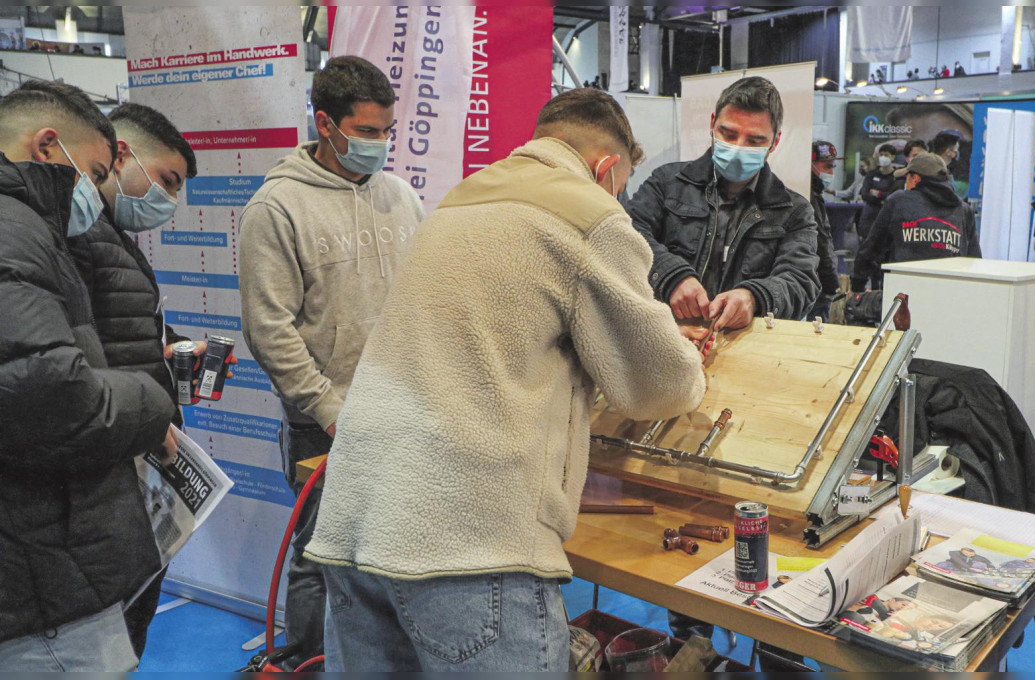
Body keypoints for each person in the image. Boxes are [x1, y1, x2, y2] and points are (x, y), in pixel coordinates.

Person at [304, 88, 707, 672]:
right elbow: (656, 386)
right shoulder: (588, 212)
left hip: (356, 520)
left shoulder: (460, 200)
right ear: (605, 167)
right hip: (467, 539)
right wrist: (688, 362)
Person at [239, 55, 426, 668]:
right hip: (324, 422)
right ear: (326, 123)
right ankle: (305, 662)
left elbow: (424, 297)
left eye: (386, 132)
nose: (379, 144)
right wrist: (327, 408)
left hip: (402, 412)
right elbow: (270, 330)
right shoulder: (277, 207)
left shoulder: (400, 197)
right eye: (367, 131)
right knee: (321, 556)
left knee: (398, 550)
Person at [0, 80, 177, 671]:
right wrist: (150, 403)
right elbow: (51, 392)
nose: (97, 193)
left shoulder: (33, 230)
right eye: (96, 171)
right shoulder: (15, 230)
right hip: (41, 562)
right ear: (49, 146)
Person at [64, 102, 200, 660]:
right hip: (111, 463)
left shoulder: (110, 235)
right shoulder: (77, 235)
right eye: (166, 181)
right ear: (120, 156)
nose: (169, 201)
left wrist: (164, 349)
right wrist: (149, 412)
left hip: (135, 455)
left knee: (131, 619)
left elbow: (112, 332)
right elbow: (76, 359)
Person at [626, 76, 821, 332]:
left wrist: (753, 297)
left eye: (754, 141)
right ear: (711, 124)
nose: (738, 148)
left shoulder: (793, 211)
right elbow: (628, 235)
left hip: (741, 350)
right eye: (728, 134)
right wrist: (671, 275)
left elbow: (800, 281)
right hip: (665, 337)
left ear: (775, 141)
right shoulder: (666, 183)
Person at [851, 153, 981, 292]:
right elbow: (973, 259)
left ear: (915, 178)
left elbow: (873, 247)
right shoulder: (963, 210)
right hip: (949, 293)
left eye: (907, 177)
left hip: (903, 294)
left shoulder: (899, 201)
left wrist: (857, 286)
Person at [809, 140, 843, 320]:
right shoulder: (809, 197)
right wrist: (831, 282)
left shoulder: (813, 194)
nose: (831, 172)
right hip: (815, 280)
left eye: (833, 167)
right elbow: (821, 241)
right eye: (827, 166)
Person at [856, 143, 902, 241]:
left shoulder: (897, 176)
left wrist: (877, 193)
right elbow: (865, 194)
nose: (883, 157)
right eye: (881, 155)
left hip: (888, 216)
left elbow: (893, 196)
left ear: (893, 157)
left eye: (886, 155)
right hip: (869, 216)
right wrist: (881, 199)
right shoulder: (871, 175)